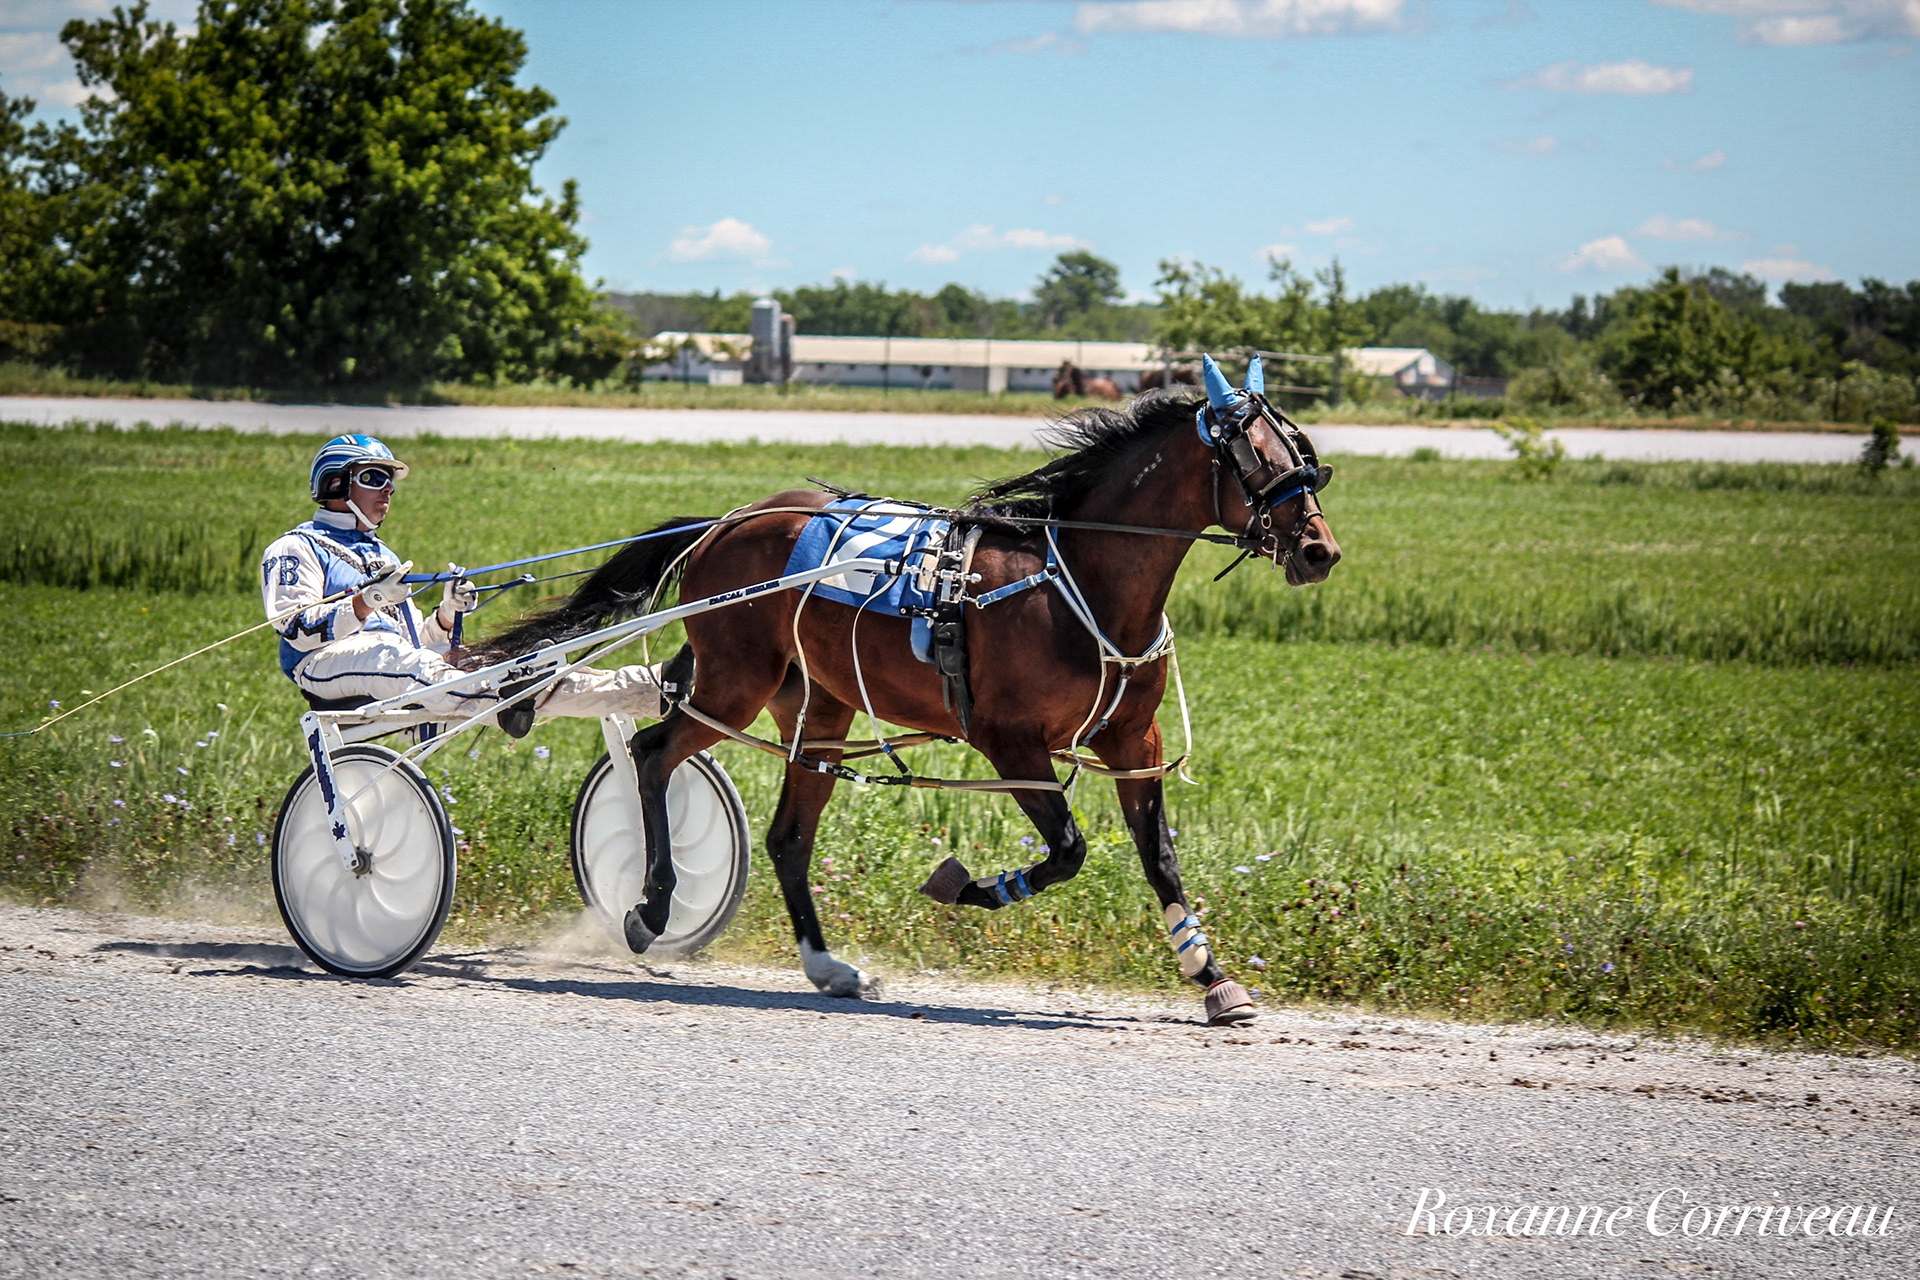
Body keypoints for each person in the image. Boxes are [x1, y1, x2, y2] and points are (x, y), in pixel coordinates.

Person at [260, 434, 663, 729]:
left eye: (390, 481)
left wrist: (447, 615)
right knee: (403, 661)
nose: (388, 489)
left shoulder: (384, 556)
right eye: (374, 478)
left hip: (397, 658)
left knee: (503, 664)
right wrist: (366, 602)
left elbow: (415, 638)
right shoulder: (296, 547)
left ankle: (651, 690)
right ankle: (501, 699)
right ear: (335, 483)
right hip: (322, 665)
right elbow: (294, 626)